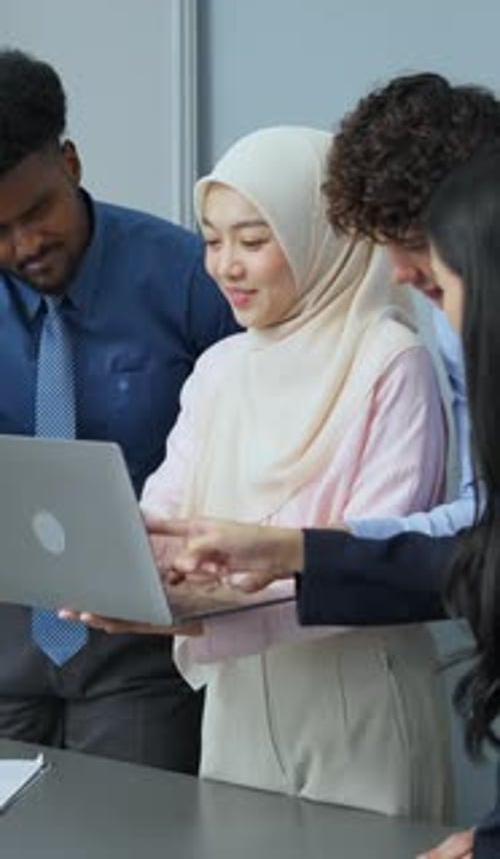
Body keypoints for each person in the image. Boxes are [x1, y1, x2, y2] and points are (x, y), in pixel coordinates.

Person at [163, 144, 500, 858]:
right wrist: (143, 579)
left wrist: (209, 594)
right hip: (236, 695)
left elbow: (396, 558)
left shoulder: (393, 358)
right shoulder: (218, 367)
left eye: (253, 240)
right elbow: (166, 517)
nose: (227, 265)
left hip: (357, 698)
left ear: (322, 238)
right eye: (213, 241)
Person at [0, 48, 237, 771]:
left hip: (140, 650)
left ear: (71, 164)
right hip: (4, 639)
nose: (25, 246)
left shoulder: (192, 280)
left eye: (37, 212)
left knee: (127, 826)